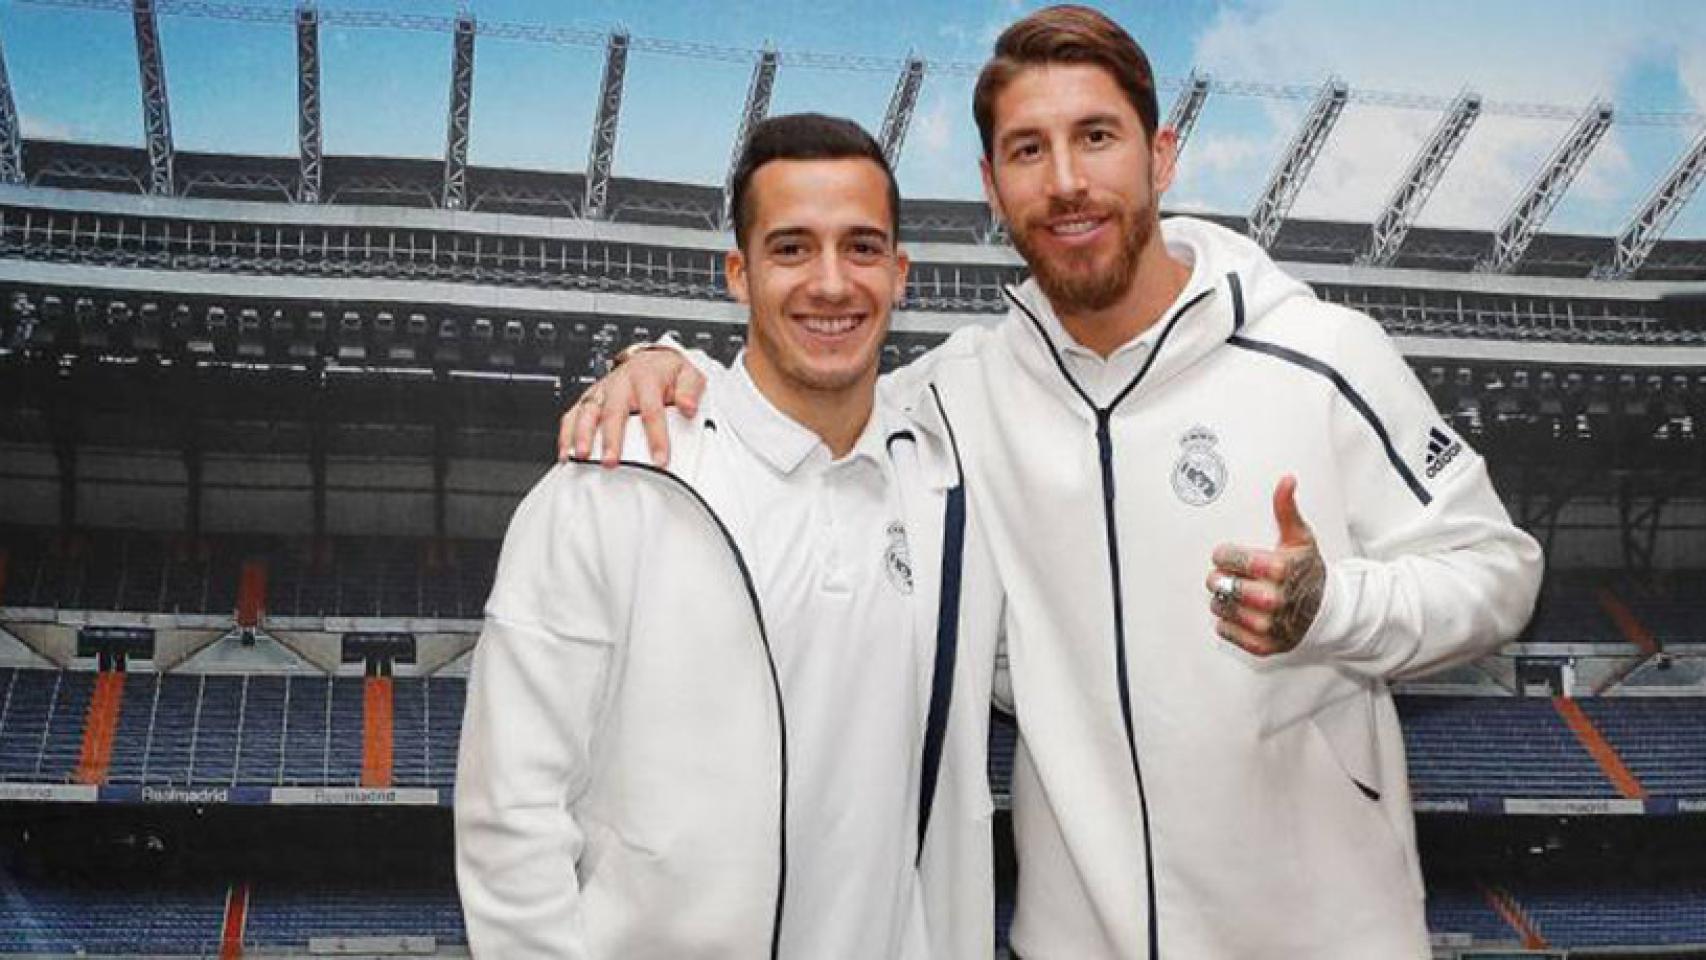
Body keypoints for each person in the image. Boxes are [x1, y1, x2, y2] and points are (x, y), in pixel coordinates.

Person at [562, 7, 1544, 958]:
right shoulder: (961, 392)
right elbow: (800, 402)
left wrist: (1334, 607)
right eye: (1028, 150)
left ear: (1160, 156)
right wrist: (659, 361)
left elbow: (1496, 568)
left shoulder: (1321, 354)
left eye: (1095, 137)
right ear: (992, 186)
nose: (1067, 181)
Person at [457, 113, 1000, 959]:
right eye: (792, 248)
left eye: (861, 248)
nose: (831, 283)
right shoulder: (615, 480)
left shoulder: (948, 487)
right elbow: (510, 815)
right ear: (739, 274)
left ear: (900, 274)